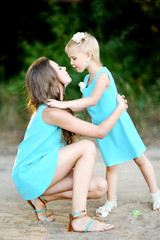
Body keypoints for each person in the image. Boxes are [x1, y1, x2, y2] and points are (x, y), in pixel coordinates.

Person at [47, 32, 160, 217]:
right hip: (104, 129)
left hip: (119, 123)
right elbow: (85, 106)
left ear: (88, 55)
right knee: (111, 165)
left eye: (74, 58)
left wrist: (64, 104)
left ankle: (156, 194)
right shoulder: (86, 80)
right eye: (70, 58)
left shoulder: (102, 75)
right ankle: (111, 201)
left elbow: (91, 101)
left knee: (140, 158)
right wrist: (61, 109)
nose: (71, 62)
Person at [12, 57, 128, 232]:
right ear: (50, 79)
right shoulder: (50, 112)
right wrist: (119, 109)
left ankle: (41, 199)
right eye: (59, 68)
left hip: (40, 170)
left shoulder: (57, 108)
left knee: (100, 187)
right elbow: (99, 132)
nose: (65, 67)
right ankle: (79, 218)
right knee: (87, 147)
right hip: (30, 171)